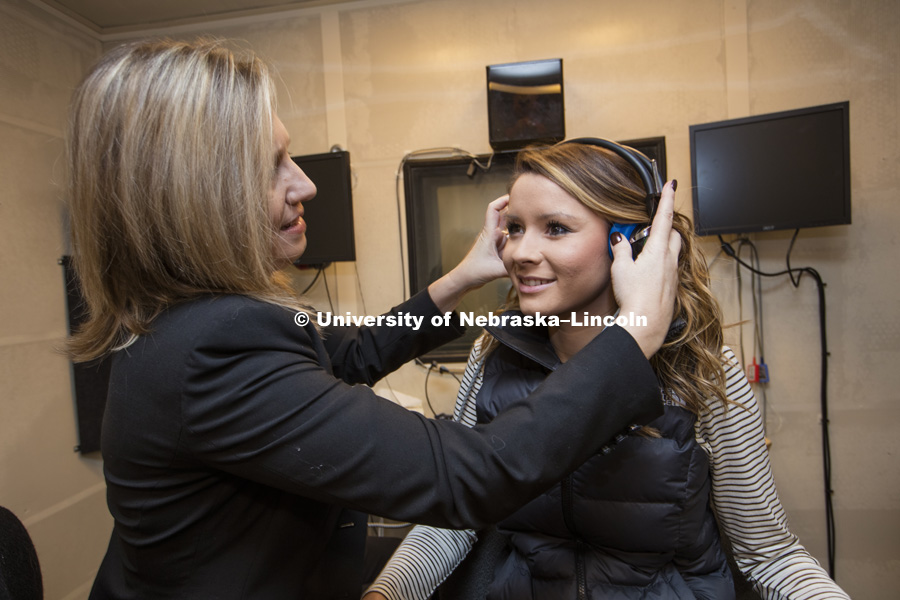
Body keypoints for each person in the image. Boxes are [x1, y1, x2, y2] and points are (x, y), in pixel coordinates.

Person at [66, 39, 684, 599]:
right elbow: (469, 476)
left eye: (555, 229)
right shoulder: (215, 344)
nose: (305, 184)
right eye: (273, 164)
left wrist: (460, 279)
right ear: (199, 193)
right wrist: (635, 337)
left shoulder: (195, 327)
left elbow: (351, 354)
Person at [364, 143, 851, 600]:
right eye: (514, 227)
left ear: (630, 242)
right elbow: (458, 513)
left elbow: (770, 555)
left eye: (555, 227)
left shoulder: (702, 370)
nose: (518, 252)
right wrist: (386, 592)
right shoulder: (492, 353)